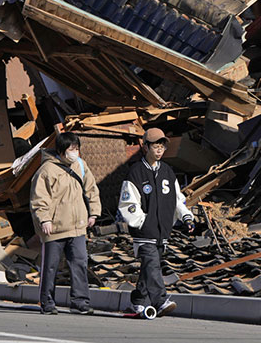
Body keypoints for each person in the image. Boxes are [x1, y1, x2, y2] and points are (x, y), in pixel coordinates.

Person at [117, 128, 195, 317]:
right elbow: (128, 203)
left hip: (163, 231)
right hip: (144, 232)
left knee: (148, 268)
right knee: (152, 265)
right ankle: (160, 301)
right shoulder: (135, 172)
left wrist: (186, 216)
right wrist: (142, 222)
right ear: (145, 147)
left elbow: (177, 199)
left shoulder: (168, 172)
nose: (159, 150)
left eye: (162, 147)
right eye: (155, 146)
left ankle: (137, 301)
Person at [30, 132, 101, 315]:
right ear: (61, 151)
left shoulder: (81, 165)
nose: (74, 153)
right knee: (50, 266)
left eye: (77, 149)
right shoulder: (46, 171)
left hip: (77, 225)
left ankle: (80, 301)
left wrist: (94, 212)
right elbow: (39, 199)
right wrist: (44, 219)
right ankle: (47, 302)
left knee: (79, 263)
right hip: (54, 228)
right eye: (71, 149)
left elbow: (91, 189)